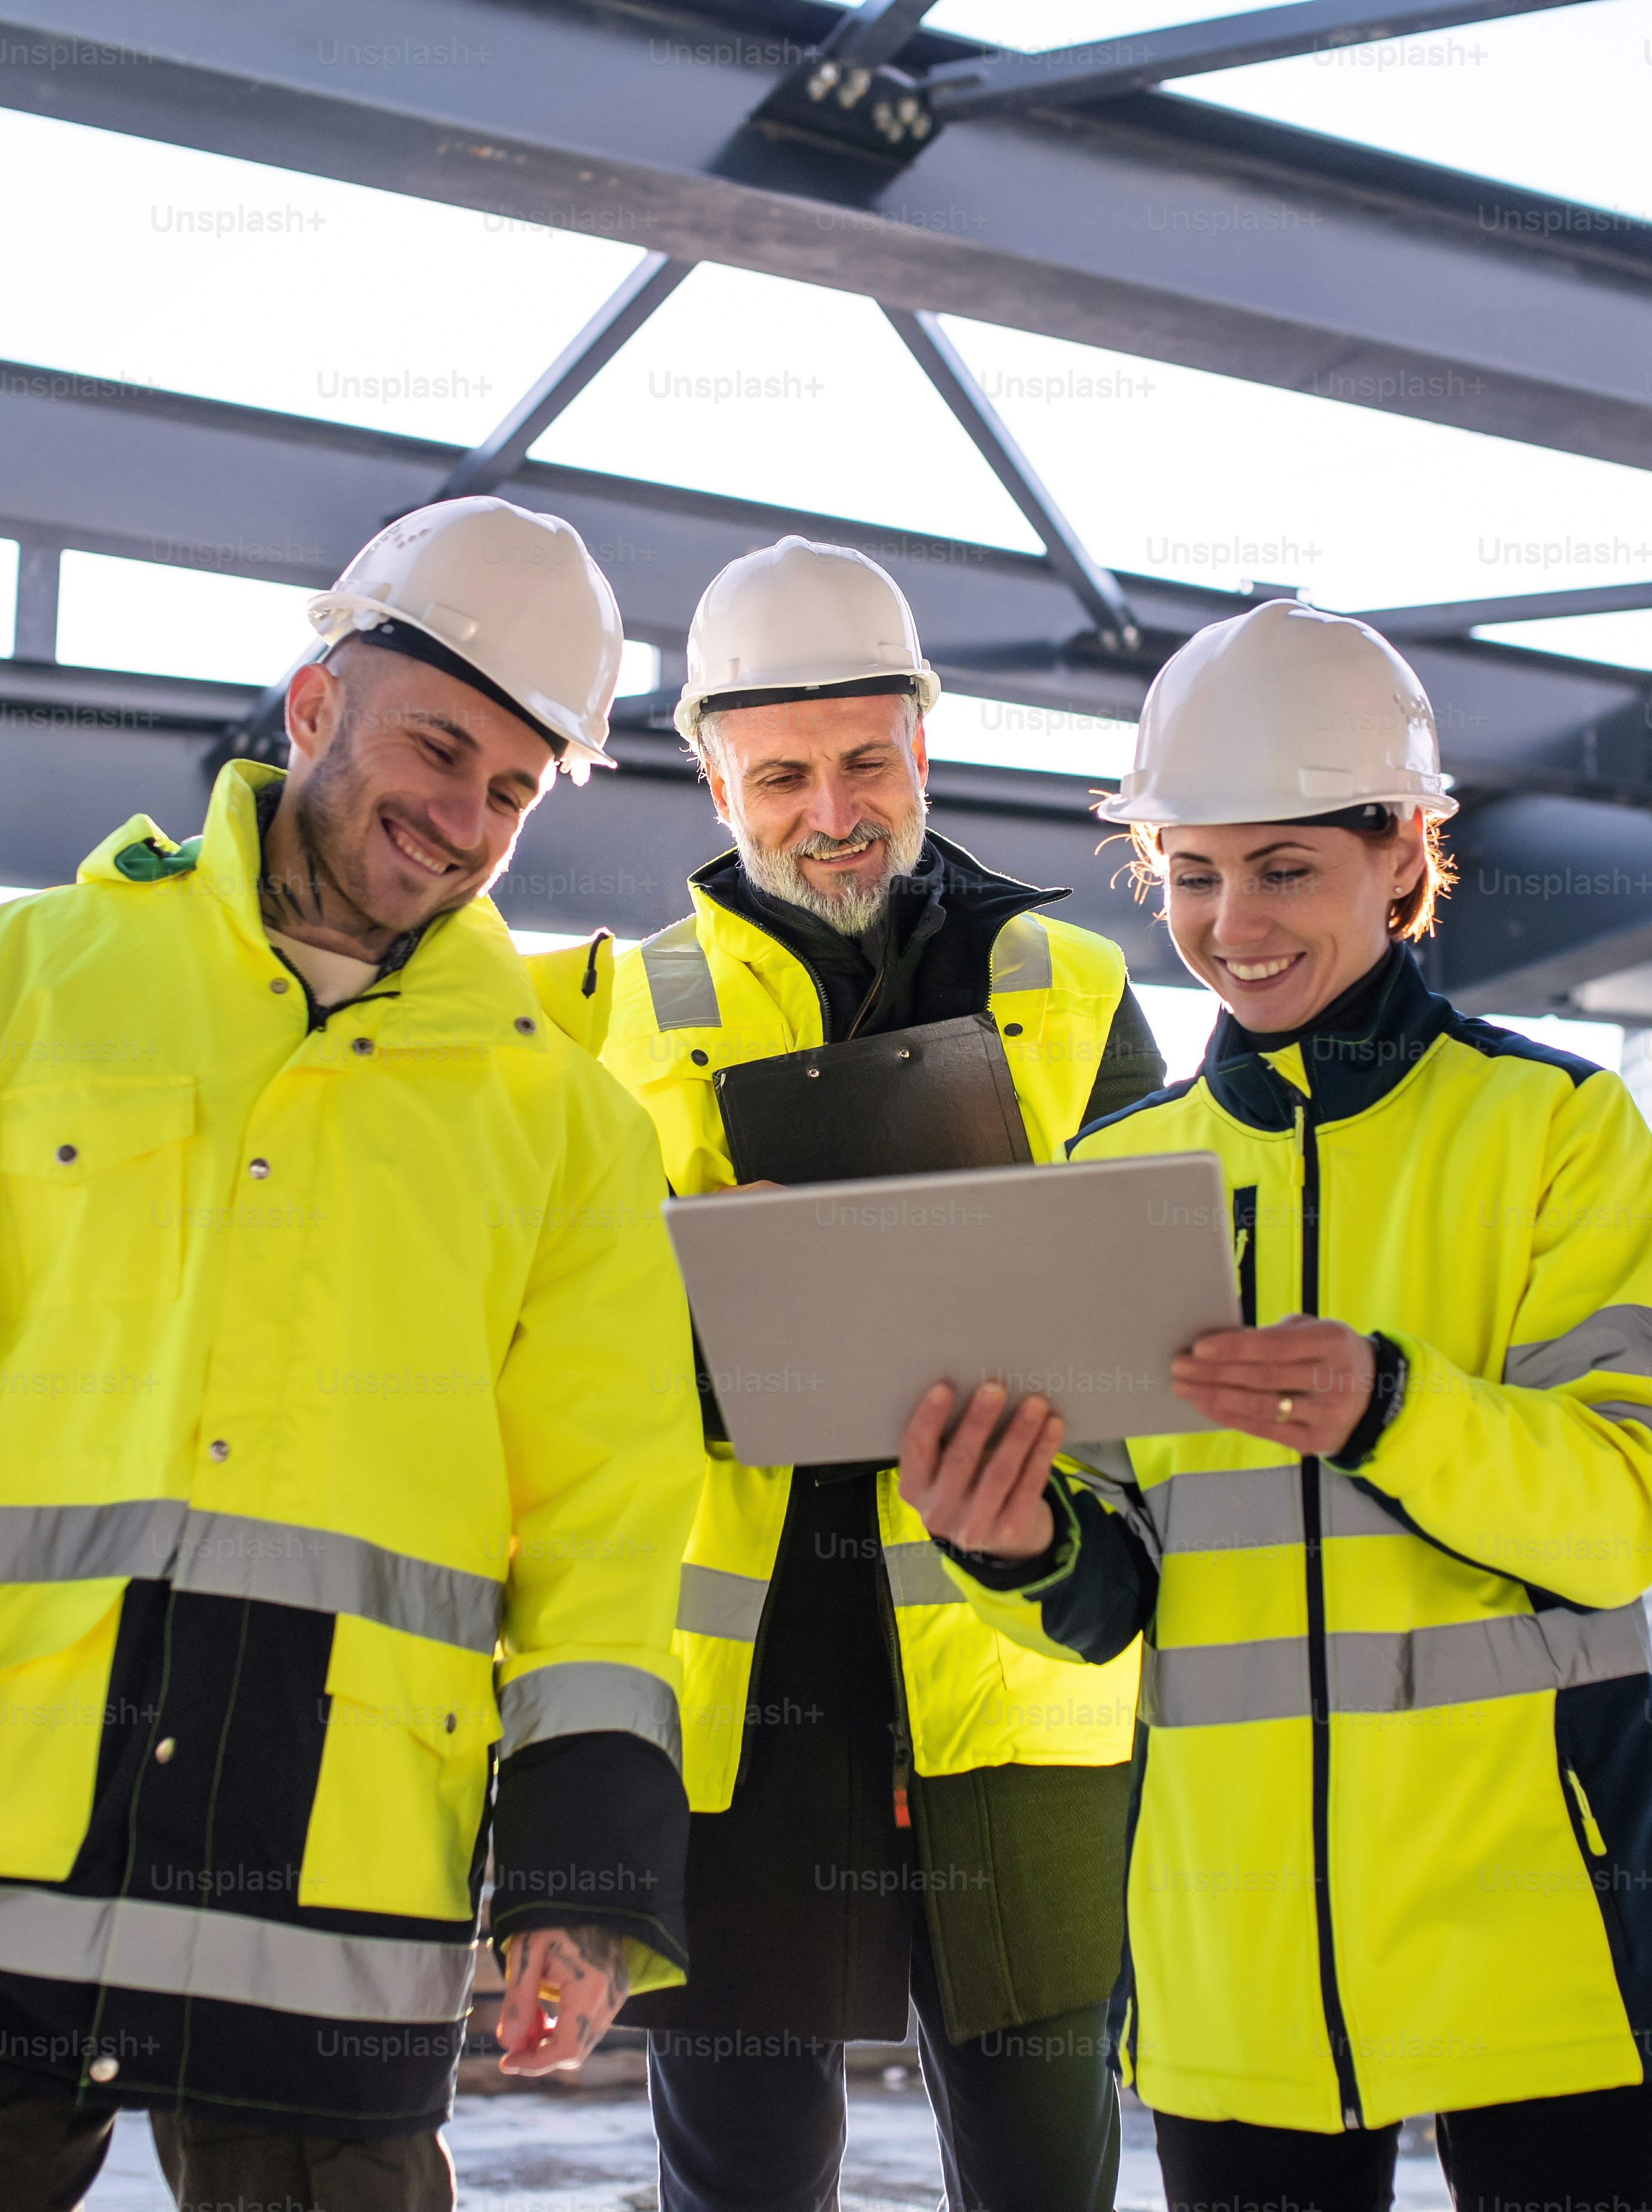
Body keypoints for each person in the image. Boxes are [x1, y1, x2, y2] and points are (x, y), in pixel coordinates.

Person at [0, 496, 704, 2212]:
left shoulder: (566, 1124)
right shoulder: (5, 990)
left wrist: (579, 1874)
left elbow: (605, 1522)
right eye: (438, 749)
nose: (463, 820)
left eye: (513, 790)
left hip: (342, 1887)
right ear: (312, 709)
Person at [897, 599, 1652, 2212]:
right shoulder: (1115, 1178)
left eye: (1287, 869)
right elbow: (1118, 1592)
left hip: (1548, 1932)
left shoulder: (1553, 1130)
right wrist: (1012, 1548)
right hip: (1235, 1967)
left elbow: (1634, 1510)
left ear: (1404, 857)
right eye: (1193, 875)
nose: (1233, 922)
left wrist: (1392, 1408)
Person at [594, 537, 1166, 2212]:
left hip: (1021, 1687)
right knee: (744, 2182)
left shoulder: (1082, 995)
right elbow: (551, 1360)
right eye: (780, 773)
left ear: (925, 745)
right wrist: (719, 1313)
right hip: (750, 1719)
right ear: (715, 775)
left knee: (1049, 2177)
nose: (830, 810)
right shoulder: (621, 1024)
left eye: (865, 761)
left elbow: (1159, 1310)